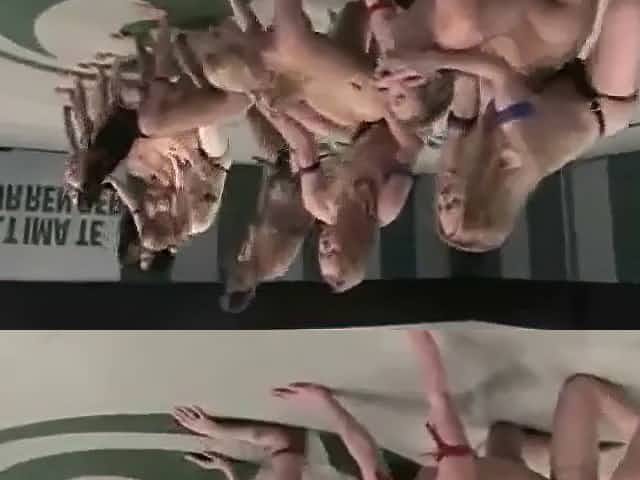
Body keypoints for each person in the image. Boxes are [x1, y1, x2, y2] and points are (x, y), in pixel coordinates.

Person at [380, 0, 640, 251]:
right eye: (453, 204)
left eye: (439, 206)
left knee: (473, 48)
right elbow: (499, 72)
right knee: (628, 10)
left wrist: (412, 72)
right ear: (481, 198)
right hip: (599, 100)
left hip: (548, 85)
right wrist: (433, 60)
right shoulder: (519, 153)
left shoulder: (465, 161)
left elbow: (464, 101)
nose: (443, 196)